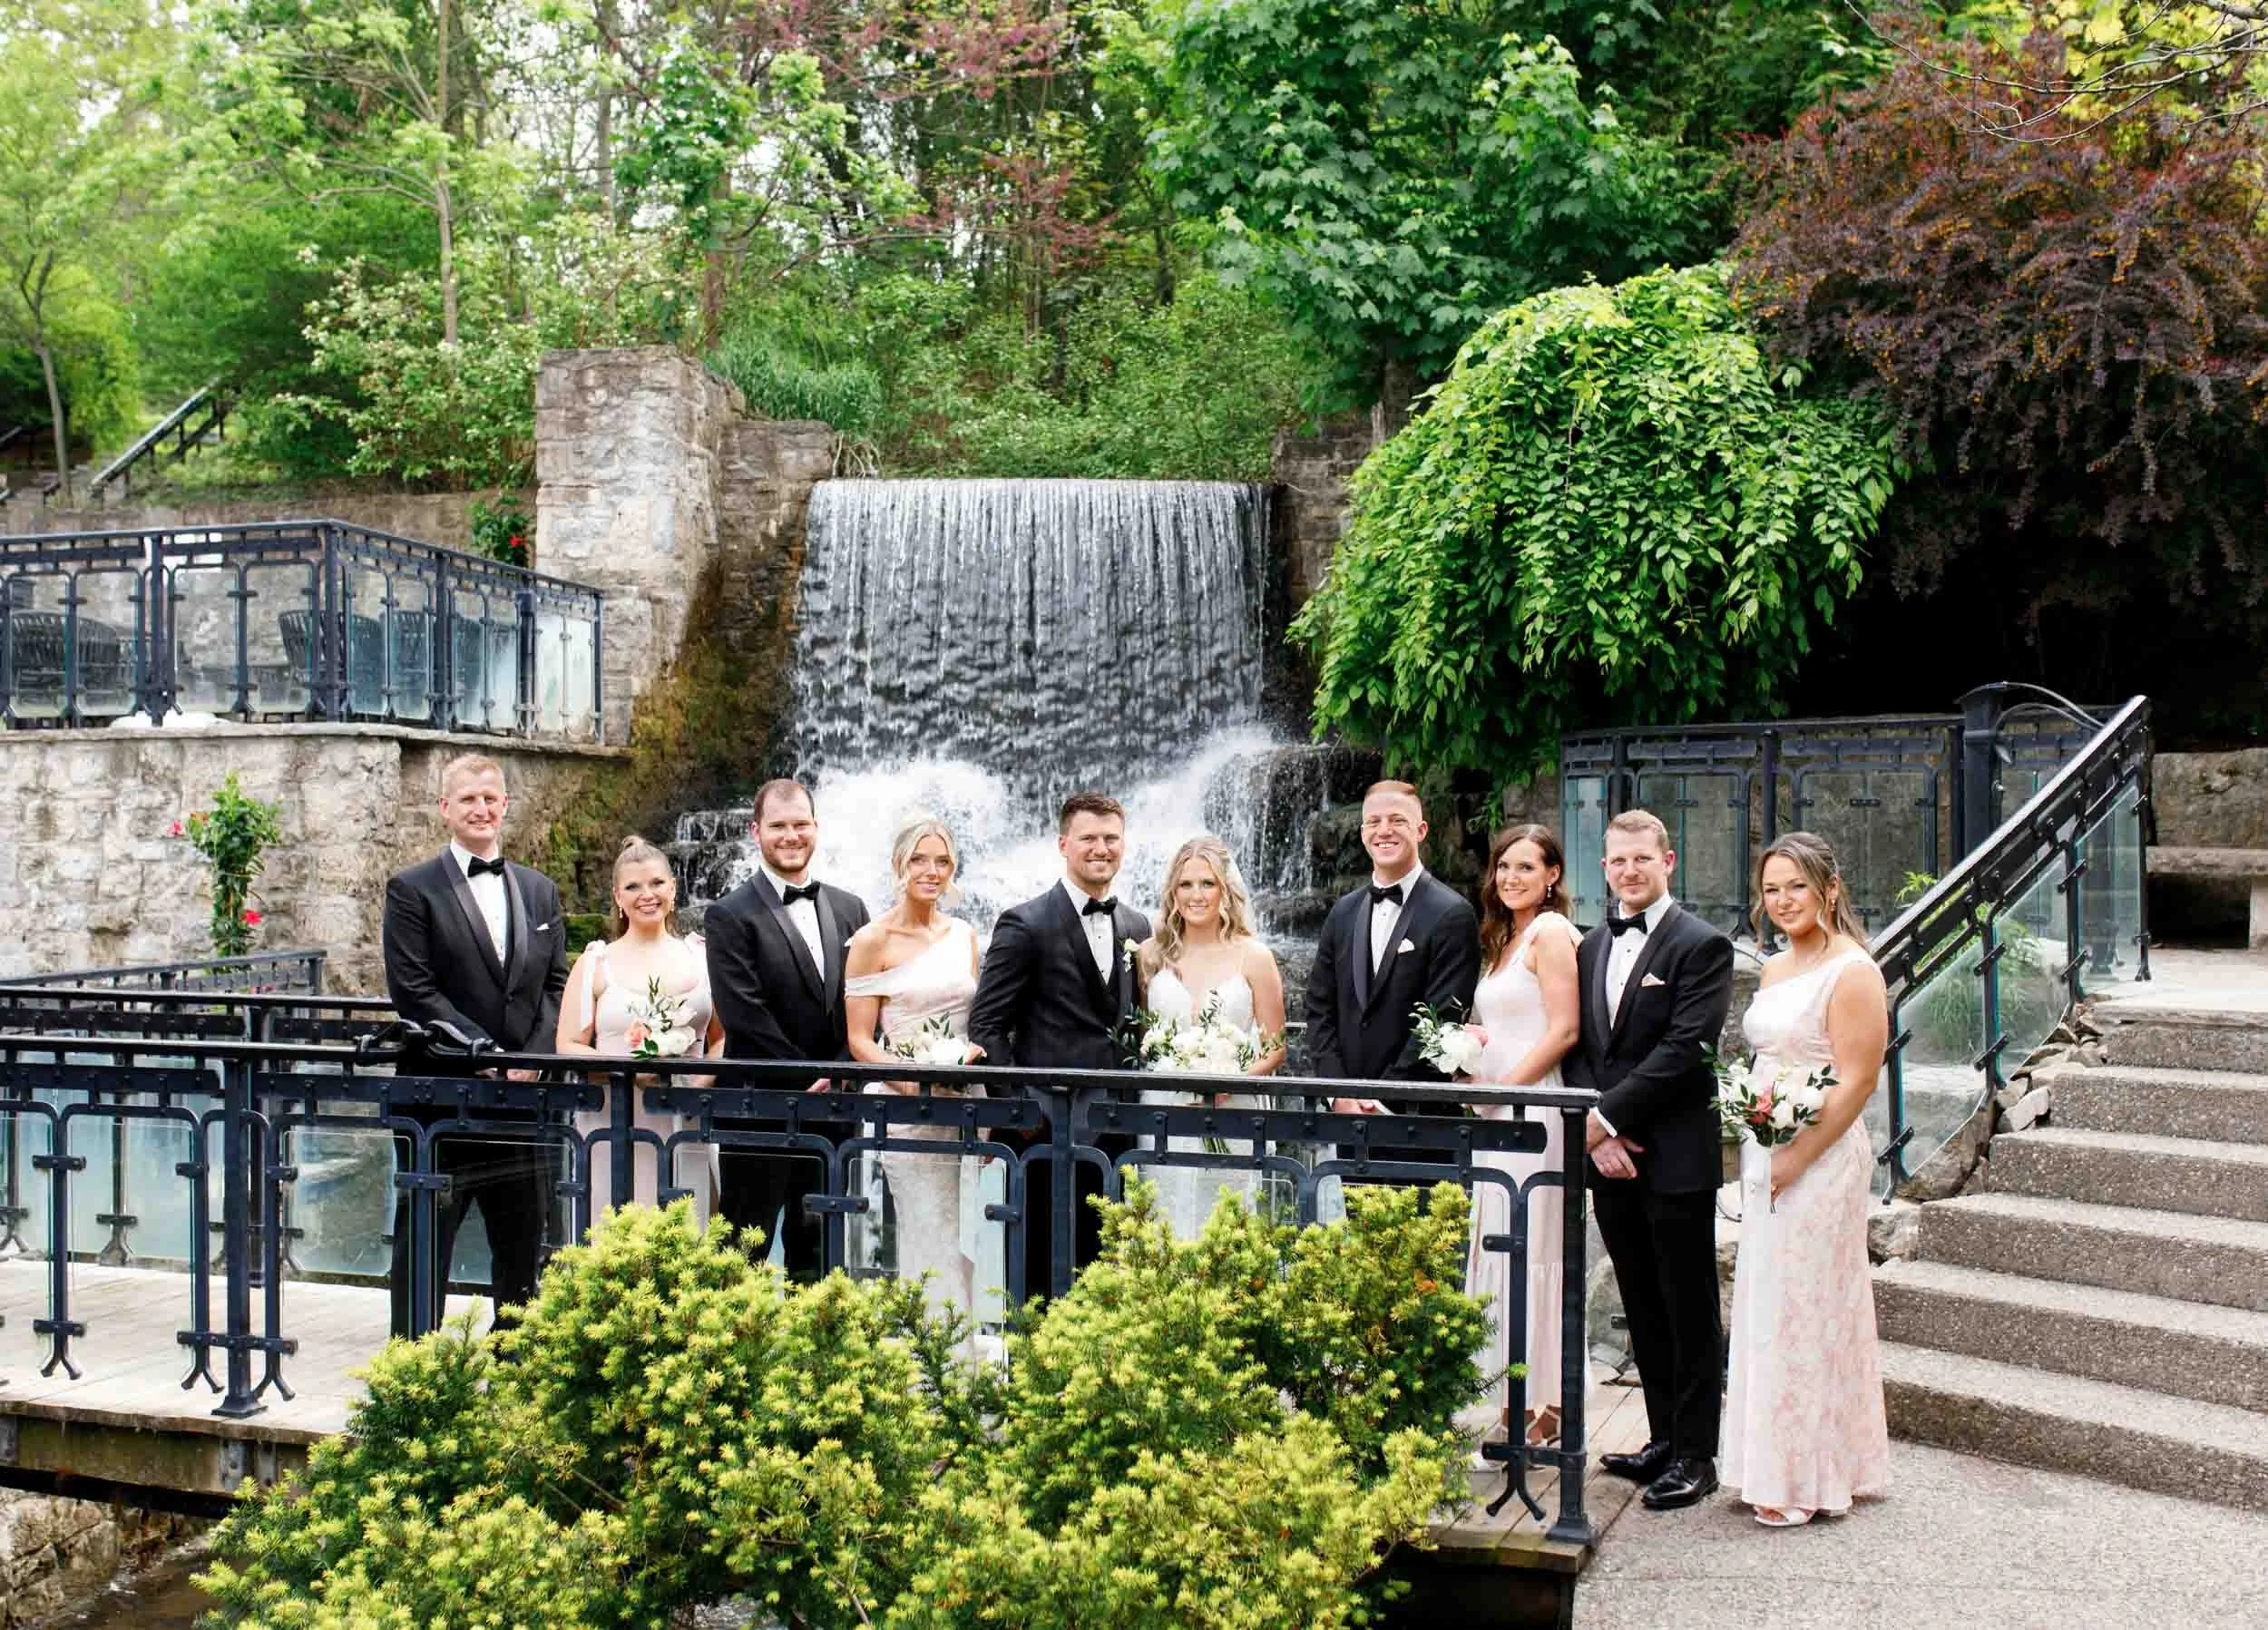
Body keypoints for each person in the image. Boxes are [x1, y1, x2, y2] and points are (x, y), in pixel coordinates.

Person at [1568, 808, 1735, 1512]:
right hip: (1608, 1159)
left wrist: (1609, 1114)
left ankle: (1699, 1454)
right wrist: (1594, 1133)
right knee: (1641, 1301)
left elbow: (1685, 1048)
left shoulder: (1703, 945)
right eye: (1617, 861)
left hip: (1674, 1155)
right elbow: (1583, 1047)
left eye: (1642, 858)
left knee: (1688, 1304)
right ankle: (1662, 1437)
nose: (1629, 870)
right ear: (1603, 868)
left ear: (1669, 862)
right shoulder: (1587, 947)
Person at [1721, 832, 1892, 1526]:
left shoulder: (1853, 972)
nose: (1783, 900)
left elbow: (1857, 1080)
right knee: (1769, 1304)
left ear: (1830, 887)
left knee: (1807, 1306)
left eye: (1796, 885)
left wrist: (1797, 1154)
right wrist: (1758, 1139)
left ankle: (1803, 1477)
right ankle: (1773, 1461)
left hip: (1821, 1157)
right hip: (1771, 1150)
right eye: (1771, 889)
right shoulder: (1773, 969)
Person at [380, 753, 570, 1337]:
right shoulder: (412, 889)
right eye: (468, 799)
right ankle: (412, 1361)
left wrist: (532, 1062)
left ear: (505, 805)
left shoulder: (539, 891)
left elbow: (558, 985)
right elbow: (413, 990)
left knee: (521, 1236)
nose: (481, 808)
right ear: (445, 809)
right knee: (427, 1234)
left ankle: (515, 1359)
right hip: (442, 1096)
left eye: (490, 798)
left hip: (523, 1101)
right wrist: (484, 1055)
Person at [967, 791, 1150, 1294]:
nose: (1101, 848)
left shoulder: (1137, 925)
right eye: (1089, 837)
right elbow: (985, 1026)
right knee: (1039, 1270)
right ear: (1063, 843)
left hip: (1115, 1128)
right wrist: (1020, 1113)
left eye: (1111, 838)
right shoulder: (1023, 923)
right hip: (1042, 1129)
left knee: (1107, 1267)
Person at [703, 779, 872, 1277]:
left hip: (835, 1108)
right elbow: (743, 1014)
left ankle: (813, 1352)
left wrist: (840, 1067)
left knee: (819, 1250)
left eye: (800, 824)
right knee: (743, 1248)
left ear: (816, 827)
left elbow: (863, 1002)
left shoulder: (851, 908)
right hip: (759, 1109)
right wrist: (806, 1074)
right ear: (756, 832)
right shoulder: (728, 915)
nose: (791, 835)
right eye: (778, 826)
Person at [841, 816, 994, 1345]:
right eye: (920, 860)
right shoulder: (870, 940)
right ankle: (932, 1372)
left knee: (966, 1233)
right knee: (927, 1233)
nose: (932, 871)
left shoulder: (965, 935)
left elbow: (973, 1024)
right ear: (899, 865)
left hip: (964, 1108)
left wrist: (968, 1068)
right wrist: (913, 1086)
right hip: (907, 1110)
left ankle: (967, 1358)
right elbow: (861, 1041)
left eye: (943, 861)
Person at [1462, 824, 1584, 1453]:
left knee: (1537, 1245)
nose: (1511, 877)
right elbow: (1493, 1025)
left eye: (1526, 868)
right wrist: (1463, 1057)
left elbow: (1563, 1030)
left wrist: (1507, 1087)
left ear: (1553, 875)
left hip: (1532, 1107)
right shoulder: (1502, 938)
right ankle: (1514, 1394)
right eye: (1504, 867)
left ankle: (1550, 1402)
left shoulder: (1552, 934)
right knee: (1503, 1246)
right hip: (1495, 1106)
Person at [554, 836, 724, 1225]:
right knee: (616, 1229)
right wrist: (628, 1068)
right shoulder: (596, 962)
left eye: (656, 884)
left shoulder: (700, 955)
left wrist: (699, 1082)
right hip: (613, 1121)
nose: (647, 895)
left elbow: (721, 1038)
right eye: (633, 887)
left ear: (674, 888)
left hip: (684, 1119)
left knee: (688, 1235)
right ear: (617, 895)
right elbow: (567, 1044)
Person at [1128, 835, 1287, 1238]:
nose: (1196, 895)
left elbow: (1275, 1046)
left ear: (1225, 891)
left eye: (1207, 883)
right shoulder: (1150, 954)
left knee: (1228, 1222)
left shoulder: (1254, 955)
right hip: (1165, 1105)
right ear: (1172, 892)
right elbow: (1146, 1036)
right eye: (1186, 884)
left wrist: (1229, 1083)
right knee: (1163, 1213)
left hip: (1234, 1106)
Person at [1304, 780, 1482, 1118]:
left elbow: (1443, 1017)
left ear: (1421, 830)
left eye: (1397, 820)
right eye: (1374, 822)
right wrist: (1337, 1092)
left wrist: (1383, 1100)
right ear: (1361, 833)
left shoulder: (1453, 913)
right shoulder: (1343, 912)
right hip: (1347, 1113)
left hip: (1418, 1117)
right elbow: (1318, 1007)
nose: (1384, 831)